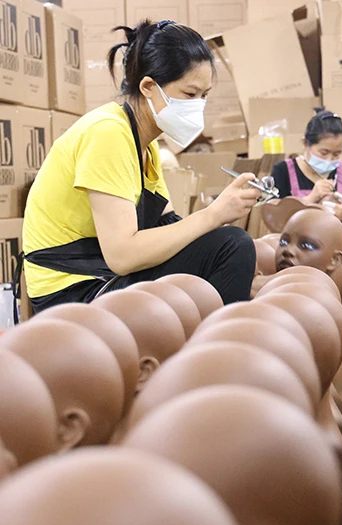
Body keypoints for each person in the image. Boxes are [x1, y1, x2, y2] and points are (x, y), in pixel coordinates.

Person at [21, 19, 260, 314]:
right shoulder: (108, 132)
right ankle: (223, 341)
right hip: (75, 291)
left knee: (229, 249)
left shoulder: (144, 144)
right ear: (148, 86)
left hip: (101, 274)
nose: (198, 105)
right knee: (232, 246)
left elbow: (167, 224)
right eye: (190, 94)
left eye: (204, 95)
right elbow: (123, 256)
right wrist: (214, 214)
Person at [271, 110, 342, 229]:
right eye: (323, 153)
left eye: (337, 154)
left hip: (340, 237)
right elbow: (274, 217)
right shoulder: (283, 170)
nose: (329, 159)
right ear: (305, 144)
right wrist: (311, 199)